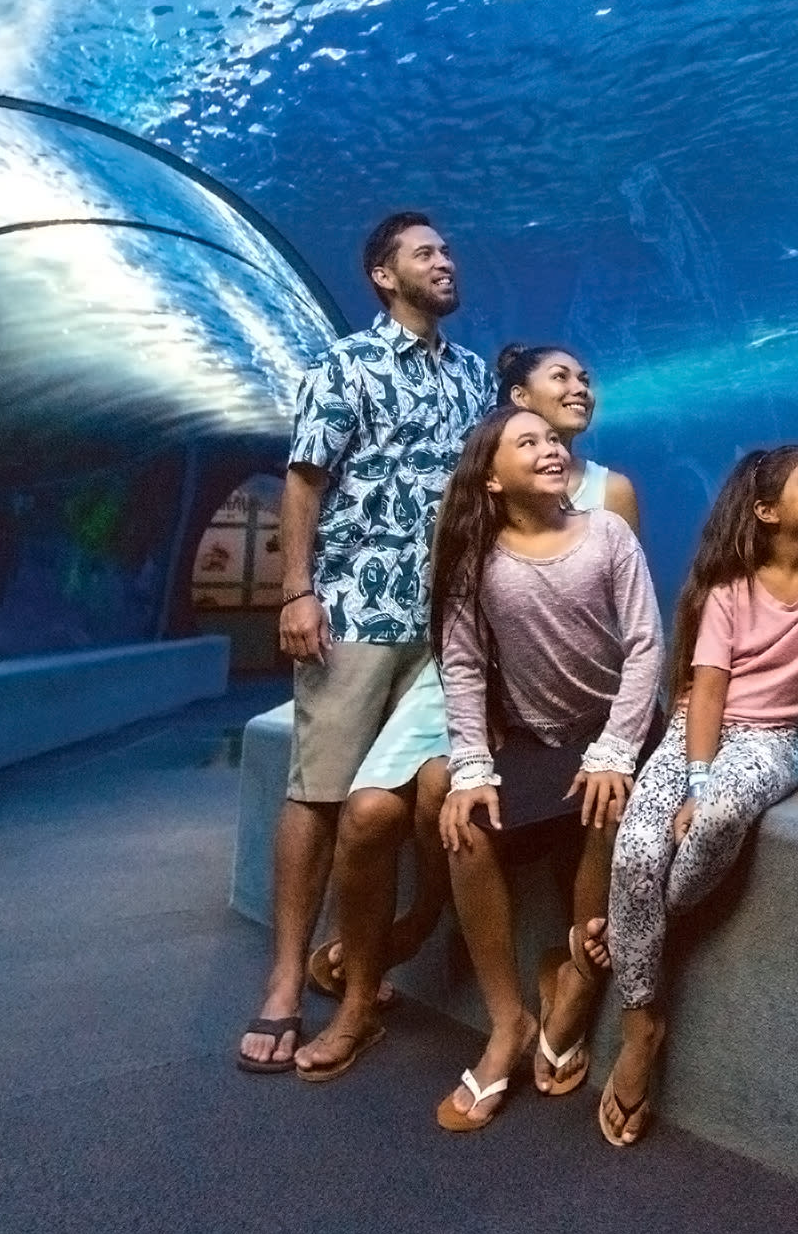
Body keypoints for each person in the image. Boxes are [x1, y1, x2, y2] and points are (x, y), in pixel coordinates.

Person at [288, 339, 637, 1084]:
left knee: (453, 794)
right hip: (476, 685)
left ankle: (438, 936)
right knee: (377, 811)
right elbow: (463, 640)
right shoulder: (476, 496)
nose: (579, 388)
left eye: (586, 375)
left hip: (561, 710)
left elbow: (626, 629)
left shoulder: (610, 503)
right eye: (559, 378)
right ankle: (362, 1002)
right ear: (514, 406)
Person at [235, 212, 496, 1075]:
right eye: (427, 253)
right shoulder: (344, 365)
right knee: (318, 790)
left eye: (447, 251)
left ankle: (370, 957)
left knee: (405, 795)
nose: (445, 262)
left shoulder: (472, 378)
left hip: (446, 623)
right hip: (352, 609)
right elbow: (304, 478)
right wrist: (297, 590)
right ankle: (280, 983)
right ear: (385, 275)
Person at [590, 444, 798, 1147]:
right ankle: (640, 1021)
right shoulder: (727, 588)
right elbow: (709, 689)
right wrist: (693, 779)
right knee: (635, 850)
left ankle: (635, 930)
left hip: (770, 741)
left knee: (716, 821)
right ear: (763, 510)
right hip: (699, 733)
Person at [422, 404, 662, 1131]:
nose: (550, 448)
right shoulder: (475, 556)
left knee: (606, 806)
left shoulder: (608, 533)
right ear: (490, 480)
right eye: (526, 442)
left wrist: (616, 751)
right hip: (535, 736)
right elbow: (461, 664)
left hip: (618, 726)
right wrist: (471, 768)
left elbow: (647, 646)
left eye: (552, 439)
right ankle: (508, 1023)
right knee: (462, 824)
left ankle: (579, 986)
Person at [499, 341, 640, 534]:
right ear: (520, 396)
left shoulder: (612, 489)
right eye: (560, 376)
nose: (581, 389)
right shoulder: (486, 485)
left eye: (585, 381)